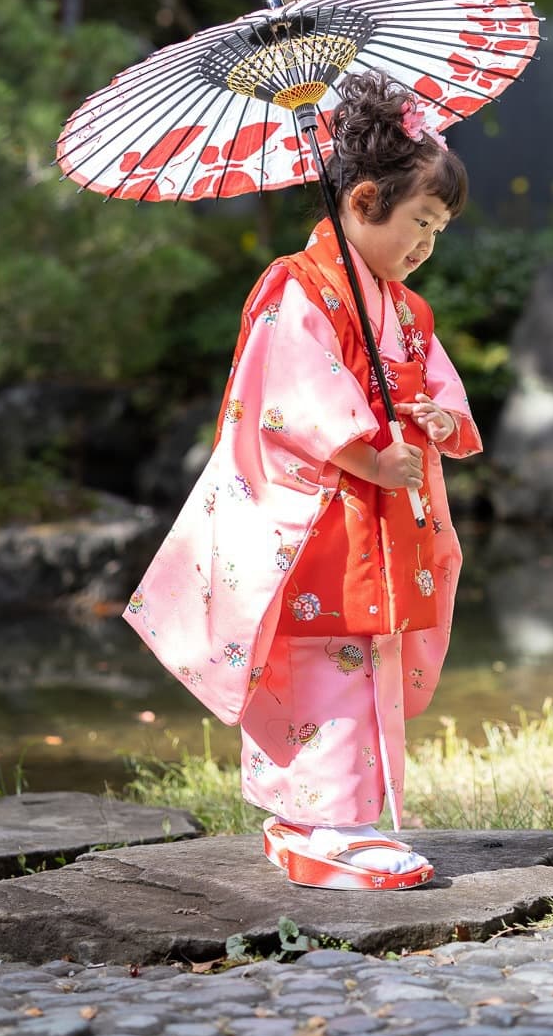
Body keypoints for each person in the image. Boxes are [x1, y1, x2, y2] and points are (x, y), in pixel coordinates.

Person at [124, 71, 480, 891]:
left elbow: (433, 387)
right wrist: (364, 454)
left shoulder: (402, 307)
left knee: (368, 656)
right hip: (318, 515)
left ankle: (350, 820)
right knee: (319, 657)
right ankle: (312, 825)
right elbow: (289, 396)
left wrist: (429, 420)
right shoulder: (299, 286)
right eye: (419, 222)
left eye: (438, 228)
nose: (427, 244)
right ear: (361, 202)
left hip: (381, 516)